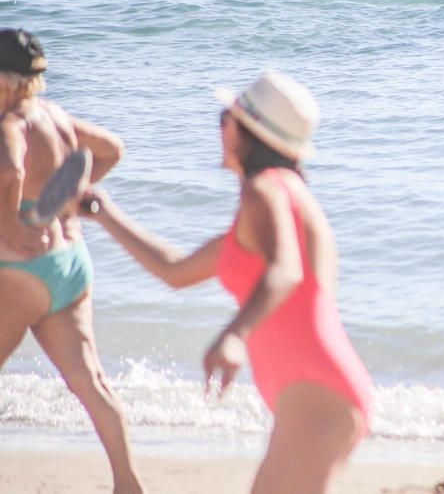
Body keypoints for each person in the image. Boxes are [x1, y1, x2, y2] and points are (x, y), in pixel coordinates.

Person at [85, 71, 373, 494]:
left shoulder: (266, 190)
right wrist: (102, 212)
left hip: (318, 397)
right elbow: (176, 270)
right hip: (314, 397)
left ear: (248, 132)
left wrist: (235, 334)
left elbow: (286, 268)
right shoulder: (272, 206)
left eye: (225, 117)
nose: (219, 128)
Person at [0, 28, 145, 494]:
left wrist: (11, 226)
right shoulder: (57, 116)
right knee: (92, 382)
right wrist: (69, 200)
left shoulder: (10, 124)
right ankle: (128, 482)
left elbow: (11, 169)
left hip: (22, 271)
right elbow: (111, 149)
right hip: (71, 260)